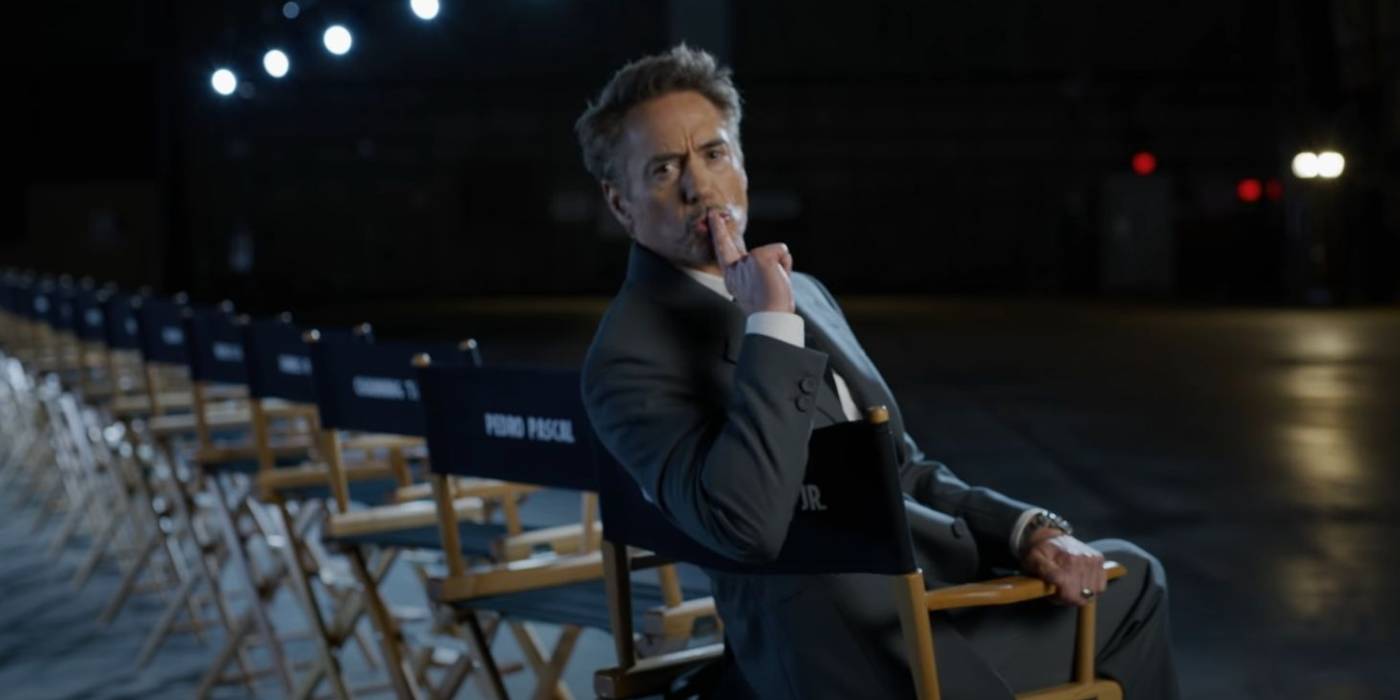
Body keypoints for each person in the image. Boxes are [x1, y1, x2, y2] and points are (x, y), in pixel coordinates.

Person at [578, 45, 1178, 699]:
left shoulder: (803, 292)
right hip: (840, 661)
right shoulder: (628, 357)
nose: (700, 187)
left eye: (714, 154)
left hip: (922, 605)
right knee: (1137, 585)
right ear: (620, 204)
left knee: (1120, 568)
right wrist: (768, 326)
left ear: (742, 164)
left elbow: (900, 468)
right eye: (664, 169)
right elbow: (744, 527)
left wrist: (1026, 529)